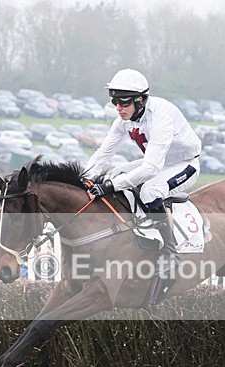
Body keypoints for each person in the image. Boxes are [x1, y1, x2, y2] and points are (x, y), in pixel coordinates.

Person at [84, 68, 202, 271]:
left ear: (140, 100)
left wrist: (110, 187)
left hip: (185, 165)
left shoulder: (161, 115)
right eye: (115, 102)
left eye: (124, 102)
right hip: (159, 162)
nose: (119, 108)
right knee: (113, 174)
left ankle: (170, 252)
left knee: (149, 190)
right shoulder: (122, 121)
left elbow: (151, 168)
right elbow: (103, 154)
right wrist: (84, 178)